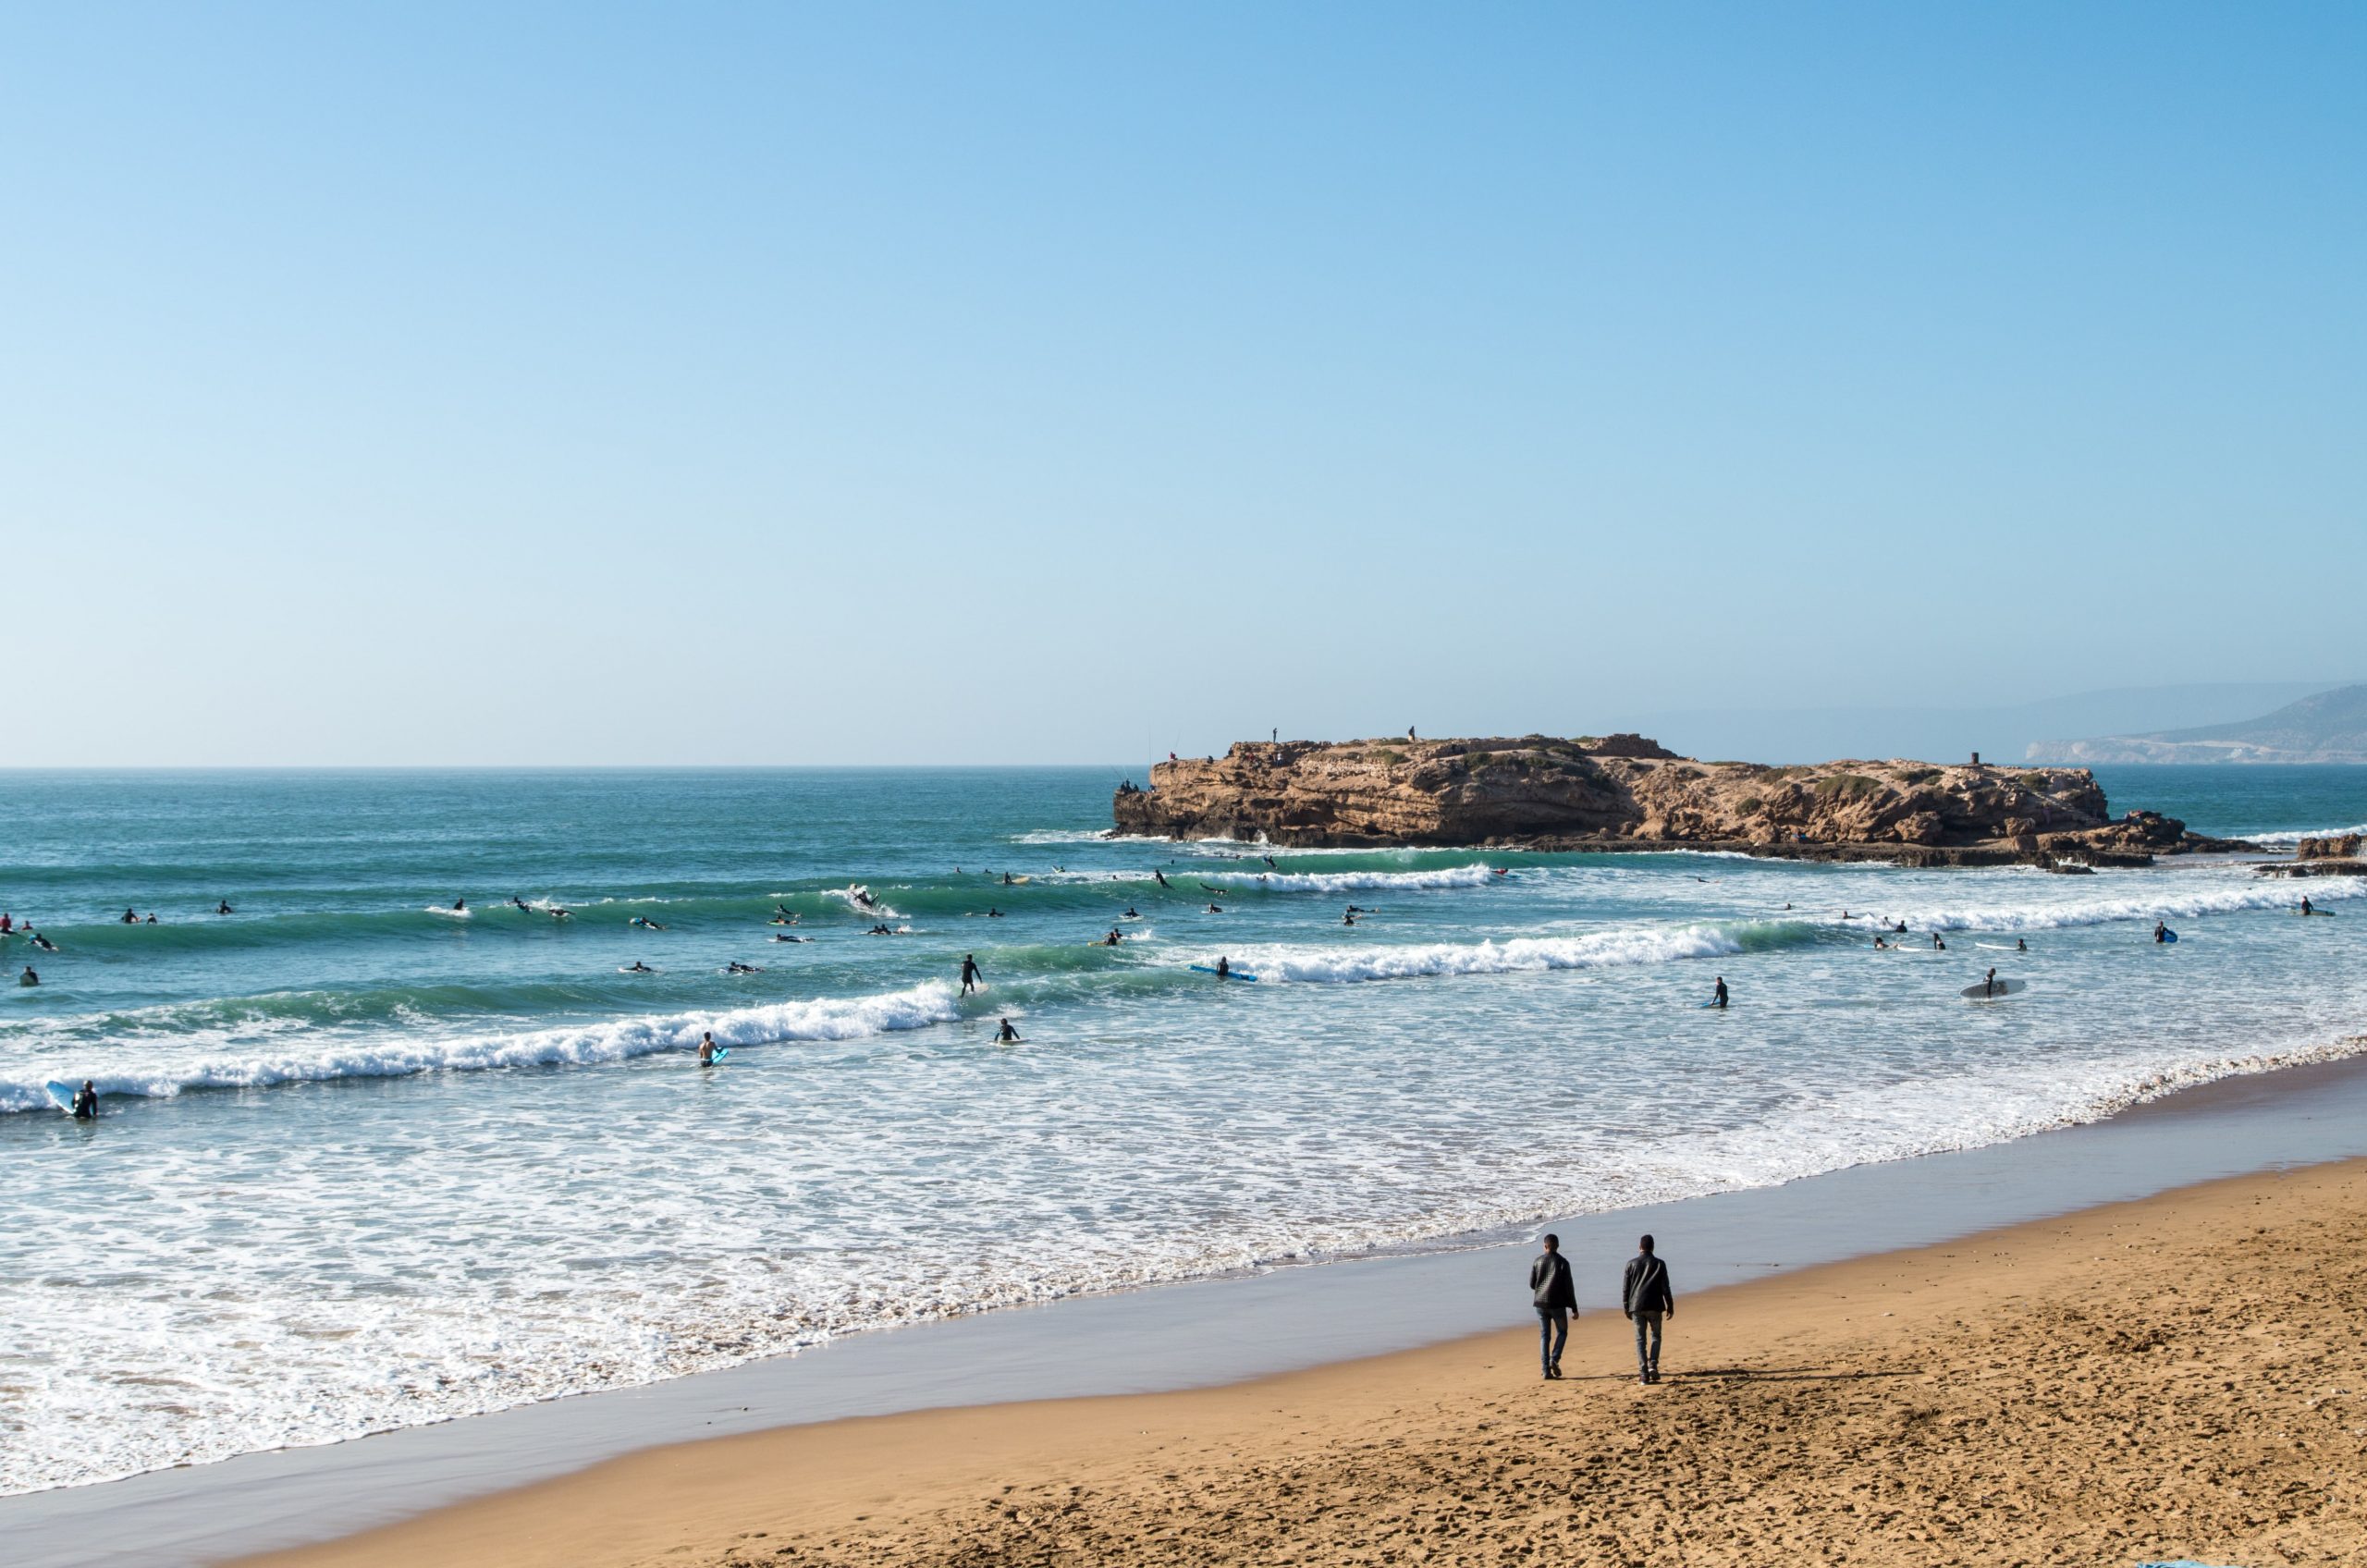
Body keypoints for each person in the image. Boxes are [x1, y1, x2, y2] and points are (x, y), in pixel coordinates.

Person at [1622, 1234, 1674, 1384]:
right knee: (1656, 1336)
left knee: (1640, 1340)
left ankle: (1643, 1373)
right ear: (1652, 1248)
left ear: (1640, 1247)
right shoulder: (1660, 1264)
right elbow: (1666, 1287)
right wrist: (1670, 1305)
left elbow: (1625, 1289)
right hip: (1655, 1306)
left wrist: (1626, 1306)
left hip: (1636, 1306)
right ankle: (1653, 1365)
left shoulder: (1630, 1264)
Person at [1529, 1233, 1576, 1380]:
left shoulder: (1537, 1261)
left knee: (1545, 1336)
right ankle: (1554, 1359)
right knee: (1562, 1332)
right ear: (1557, 1246)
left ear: (1545, 1246)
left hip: (1540, 1303)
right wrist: (1574, 1308)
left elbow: (1532, 1284)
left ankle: (1545, 1370)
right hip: (1557, 1304)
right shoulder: (1563, 1262)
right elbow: (1569, 1287)